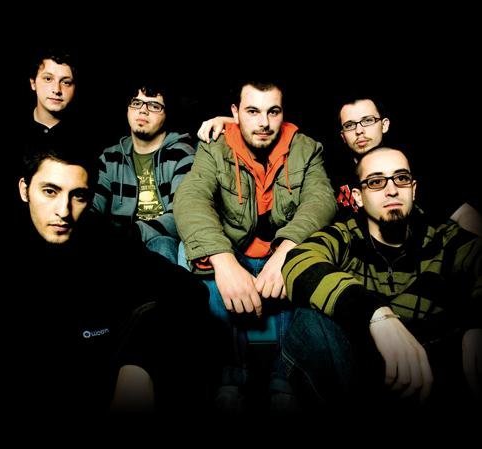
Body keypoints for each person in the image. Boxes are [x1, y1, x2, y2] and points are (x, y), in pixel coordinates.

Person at [8, 143, 210, 416]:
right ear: (24, 190)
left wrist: (137, 364)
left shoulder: (104, 241)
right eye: (50, 191)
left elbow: (190, 292)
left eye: (78, 196)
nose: (63, 211)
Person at [174, 79, 336, 412]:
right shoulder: (215, 146)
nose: (264, 123)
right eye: (252, 111)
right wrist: (223, 260)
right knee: (189, 252)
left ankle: (284, 377)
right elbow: (191, 197)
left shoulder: (306, 148)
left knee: (313, 257)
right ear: (235, 112)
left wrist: (287, 251)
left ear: (283, 113)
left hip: (279, 257)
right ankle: (231, 374)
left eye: (273, 112)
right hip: (237, 253)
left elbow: (320, 200)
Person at [281, 146, 481, 410]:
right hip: (356, 374)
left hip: (432, 373)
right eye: (376, 182)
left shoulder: (445, 239)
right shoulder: (344, 236)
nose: (392, 190)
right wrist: (376, 314)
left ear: (413, 190)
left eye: (401, 178)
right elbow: (298, 261)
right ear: (358, 197)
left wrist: (476, 322)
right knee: (309, 321)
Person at [197, 96, 482, 235]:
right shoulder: (331, 165)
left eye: (367, 121)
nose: (360, 131)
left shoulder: (406, 167)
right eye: (350, 125)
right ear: (343, 135)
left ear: (384, 125)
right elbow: (282, 133)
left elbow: (466, 215)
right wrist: (231, 121)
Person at [92, 80, 195, 263]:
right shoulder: (110, 157)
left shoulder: (182, 155)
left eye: (154, 105)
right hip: (117, 244)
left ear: (167, 113)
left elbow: (181, 217)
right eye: (136, 102)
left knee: (161, 244)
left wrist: (133, 232)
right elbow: (93, 209)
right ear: (128, 108)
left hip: (162, 245)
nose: (143, 111)